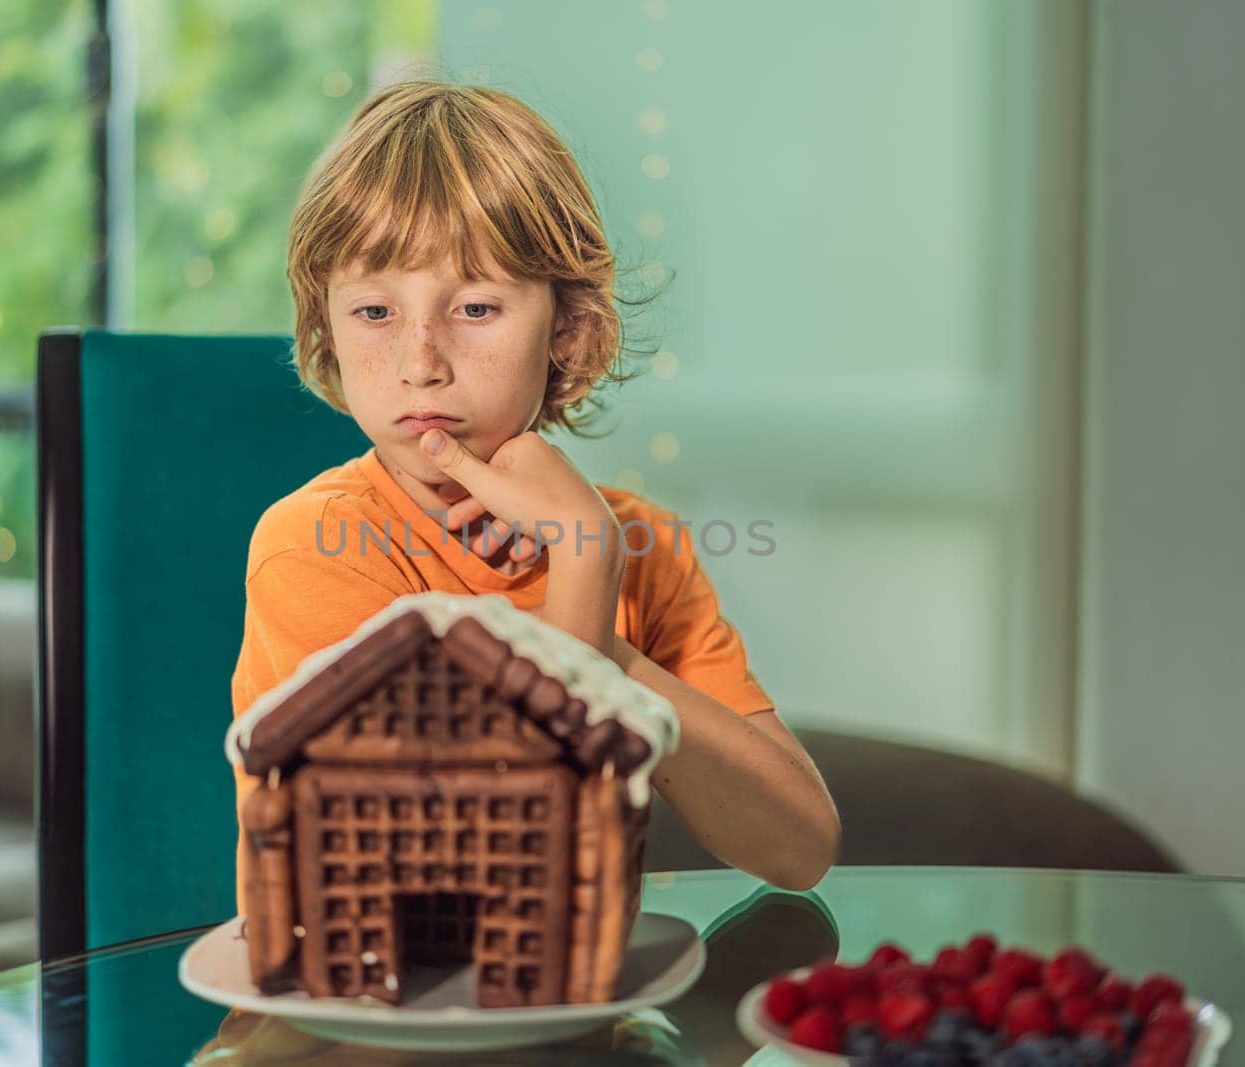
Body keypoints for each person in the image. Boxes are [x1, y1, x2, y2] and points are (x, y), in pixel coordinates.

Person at [230, 78, 839, 912]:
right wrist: (580, 603)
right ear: (323, 330)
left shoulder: (637, 543)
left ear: (568, 330)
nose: (421, 361)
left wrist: (594, 591)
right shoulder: (317, 544)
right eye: (374, 310)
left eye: (476, 306)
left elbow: (800, 846)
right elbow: (464, 889)